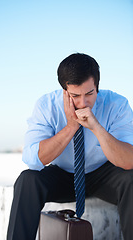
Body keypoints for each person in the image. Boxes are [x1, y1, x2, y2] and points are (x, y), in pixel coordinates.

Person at [7, 53, 133, 240]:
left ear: (97, 87)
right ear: (64, 91)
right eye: (75, 95)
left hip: (103, 174)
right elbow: (33, 160)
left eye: (89, 94)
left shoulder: (117, 104)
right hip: (62, 175)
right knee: (27, 180)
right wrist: (71, 127)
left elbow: (129, 161)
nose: (83, 103)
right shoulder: (47, 106)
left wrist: (96, 127)